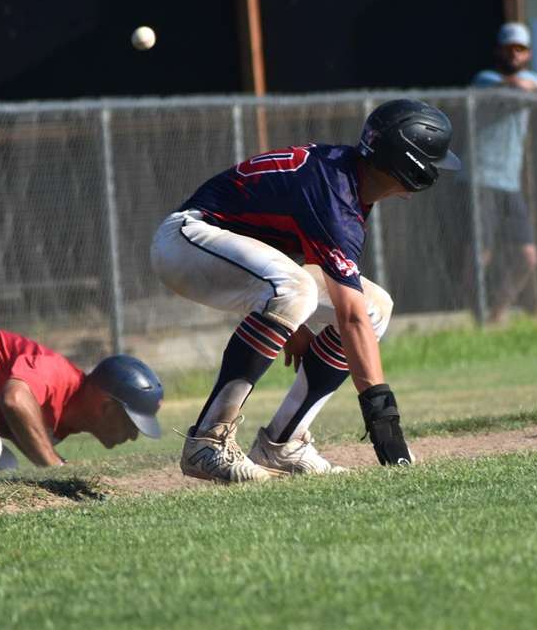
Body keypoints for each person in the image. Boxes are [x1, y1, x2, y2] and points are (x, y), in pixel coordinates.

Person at [151, 99, 461, 483]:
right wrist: (383, 418)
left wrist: (292, 323)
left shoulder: (345, 175)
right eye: (431, 160)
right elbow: (347, 315)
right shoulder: (337, 194)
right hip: (186, 240)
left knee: (375, 306)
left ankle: (283, 444)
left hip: (228, 246)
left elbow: (276, 234)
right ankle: (207, 441)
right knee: (303, 291)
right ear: (410, 165)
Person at [0, 320, 163, 473]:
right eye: (132, 423)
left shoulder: (65, 419)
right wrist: (55, 466)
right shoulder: (56, 373)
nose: (134, 435)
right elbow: (14, 400)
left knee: (2, 466)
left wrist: (56, 463)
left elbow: (21, 429)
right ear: (106, 407)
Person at [467, 22, 537, 323]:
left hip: (509, 182)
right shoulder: (486, 80)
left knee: (527, 256)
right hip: (480, 177)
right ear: (498, 51)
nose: (513, 54)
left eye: (519, 49)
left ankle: (495, 316)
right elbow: (519, 86)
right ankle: (474, 316)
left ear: (528, 54)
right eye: (508, 49)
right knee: (482, 253)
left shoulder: (529, 79)